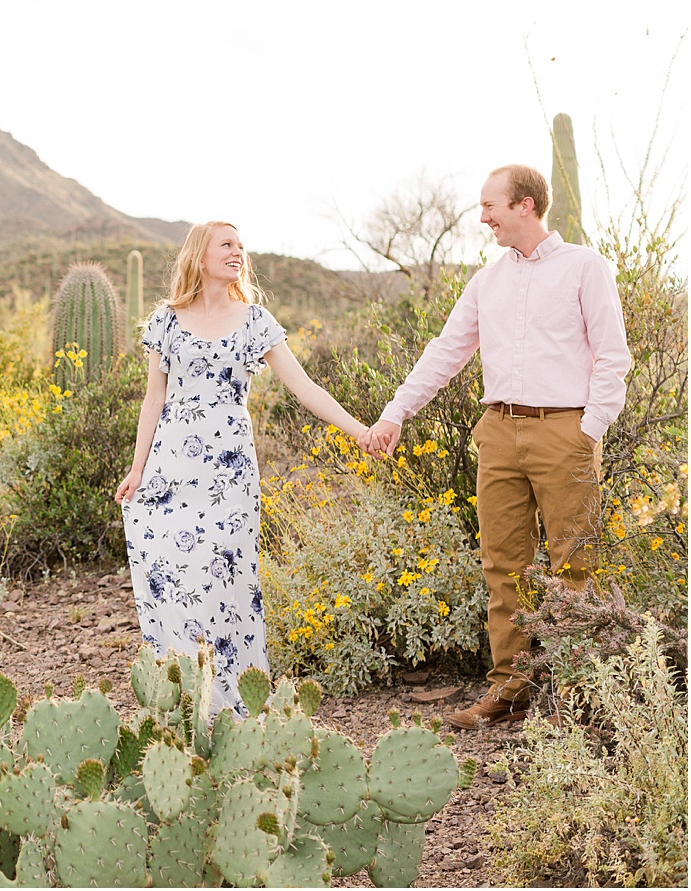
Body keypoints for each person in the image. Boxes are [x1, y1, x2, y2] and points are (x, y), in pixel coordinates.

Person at [359, 164, 631, 730]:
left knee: (573, 564)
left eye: (491, 207)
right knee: (502, 566)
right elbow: (445, 351)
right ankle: (510, 690)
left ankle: (581, 697)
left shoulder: (585, 267)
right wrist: (394, 412)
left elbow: (612, 354)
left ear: (526, 205)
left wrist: (591, 429)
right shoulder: (487, 281)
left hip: (565, 430)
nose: (483, 218)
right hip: (499, 432)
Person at [115, 220, 370, 717]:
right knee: (175, 573)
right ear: (201, 254)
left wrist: (359, 431)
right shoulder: (166, 321)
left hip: (228, 473)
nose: (237, 252)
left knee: (226, 576)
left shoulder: (254, 320)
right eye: (226, 244)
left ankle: (234, 707)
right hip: (171, 469)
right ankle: (184, 698)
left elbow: (305, 387)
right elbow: (154, 398)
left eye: (240, 246)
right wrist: (137, 465)